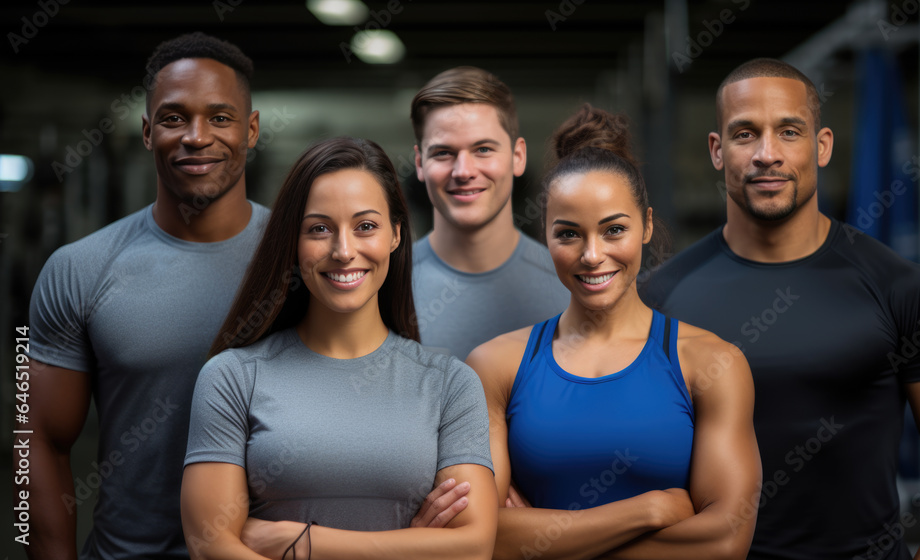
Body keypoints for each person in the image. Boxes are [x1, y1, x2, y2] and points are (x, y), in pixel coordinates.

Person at [641, 58, 920, 560]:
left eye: (789, 131)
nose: (768, 154)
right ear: (718, 151)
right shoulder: (657, 298)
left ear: (822, 145)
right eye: (746, 134)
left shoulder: (903, 289)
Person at [180, 137, 497, 560]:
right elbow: (210, 546)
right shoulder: (232, 377)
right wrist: (411, 547)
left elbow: (472, 548)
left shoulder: (451, 385)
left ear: (396, 235)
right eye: (319, 229)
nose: (344, 251)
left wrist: (305, 543)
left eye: (365, 226)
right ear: (293, 242)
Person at [468, 104, 761, 560]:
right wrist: (649, 509)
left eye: (613, 230)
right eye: (568, 234)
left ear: (645, 225)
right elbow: (479, 539)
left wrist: (548, 541)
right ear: (545, 235)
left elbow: (725, 542)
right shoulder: (494, 366)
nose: (591, 255)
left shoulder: (710, 362)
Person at [22, 32, 270, 559]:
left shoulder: (303, 261)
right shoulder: (78, 269)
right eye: (174, 118)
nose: (197, 137)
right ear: (146, 130)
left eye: (220, 118)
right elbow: (37, 439)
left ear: (251, 131)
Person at [410, 66, 569, 360]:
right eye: (443, 153)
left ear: (517, 157)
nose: (464, 171)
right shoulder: (379, 288)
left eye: (483, 149)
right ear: (420, 163)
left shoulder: (572, 286)